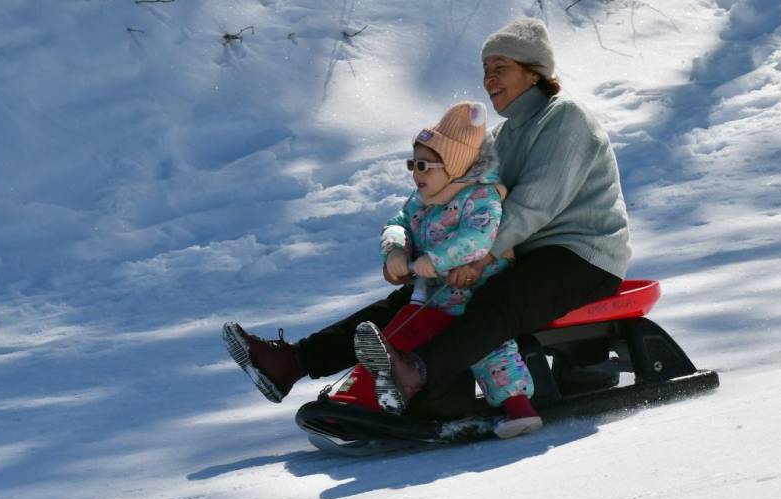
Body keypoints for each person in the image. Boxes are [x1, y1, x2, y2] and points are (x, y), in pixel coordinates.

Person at [222, 17, 630, 421]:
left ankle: (416, 373)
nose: (489, 79)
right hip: (514, 252)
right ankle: (293, 362)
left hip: (581, 255)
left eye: (500, 68)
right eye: (486, 70)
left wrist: (478, 259)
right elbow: (451, 197)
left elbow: (535, 205)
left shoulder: (566, 118)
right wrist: (415, 252)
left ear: (534, 73)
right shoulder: (501, 137)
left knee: (495, 301)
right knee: (416, 297)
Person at [352, 100, 543, 438]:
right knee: (404, 338)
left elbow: (478, 238)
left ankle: (519, 408)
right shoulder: (422, 198)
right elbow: (398, 223)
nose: (416, 173)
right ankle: (374, 396)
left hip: (479, 291)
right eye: (412, 163)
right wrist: (396, 248)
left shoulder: (481, 197)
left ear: (453, 165)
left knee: (486, 346)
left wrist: (436, 259)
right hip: (434, 296)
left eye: (425, 165)